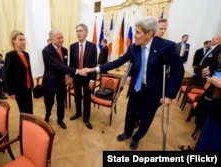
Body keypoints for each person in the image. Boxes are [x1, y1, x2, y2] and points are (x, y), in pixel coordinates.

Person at [85, 16, 184, 150]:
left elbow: (177, 72)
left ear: (149, 34)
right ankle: (127, 132)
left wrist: (169, 95)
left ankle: (137, 138)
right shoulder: (134, 47)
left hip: (154, 91)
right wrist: (94, 69)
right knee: (130, 112)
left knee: (146, 117)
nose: (134, 36)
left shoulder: (167, 46)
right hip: (137, 88)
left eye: (137, 32)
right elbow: (117, 62)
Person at [42, 29, 86, 129]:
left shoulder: (64, 50)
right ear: (52, 39)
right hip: (50, 82)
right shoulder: (46, 51)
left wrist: (67, 77)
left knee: (61, 102)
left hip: (61, 82)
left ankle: (60, 119)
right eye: (59, 38)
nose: (62, 40)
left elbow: (65, 65)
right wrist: (77, 71)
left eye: (62, 37)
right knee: (49, 102)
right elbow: (58, 65)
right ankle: (47, 114)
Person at [69, 23, 97, 129]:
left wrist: (93, 80)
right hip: (76, 76)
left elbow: (94, 64)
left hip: (87, 77)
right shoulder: (73, 46)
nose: (78, 33)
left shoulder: (92, 46)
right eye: (77, 31)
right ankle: (78, 113)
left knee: (86, 98)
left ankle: (86, 118)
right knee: (77, 96)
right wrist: (71, 77)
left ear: (86, 33)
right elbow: (71, 64)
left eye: (80, 31)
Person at [4, 30, 34, 114]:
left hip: (28, 87)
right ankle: (24, 126)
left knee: (30, 110)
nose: (23, 42)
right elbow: (7, 74)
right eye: (20, 40)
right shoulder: (10, 56)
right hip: (19, 89)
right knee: (24, 112)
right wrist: (10, 91)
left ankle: (30, 126)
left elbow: (28, 71)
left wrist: (31, 84)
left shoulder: (26, 54)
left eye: (24, 40)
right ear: (14, 41)